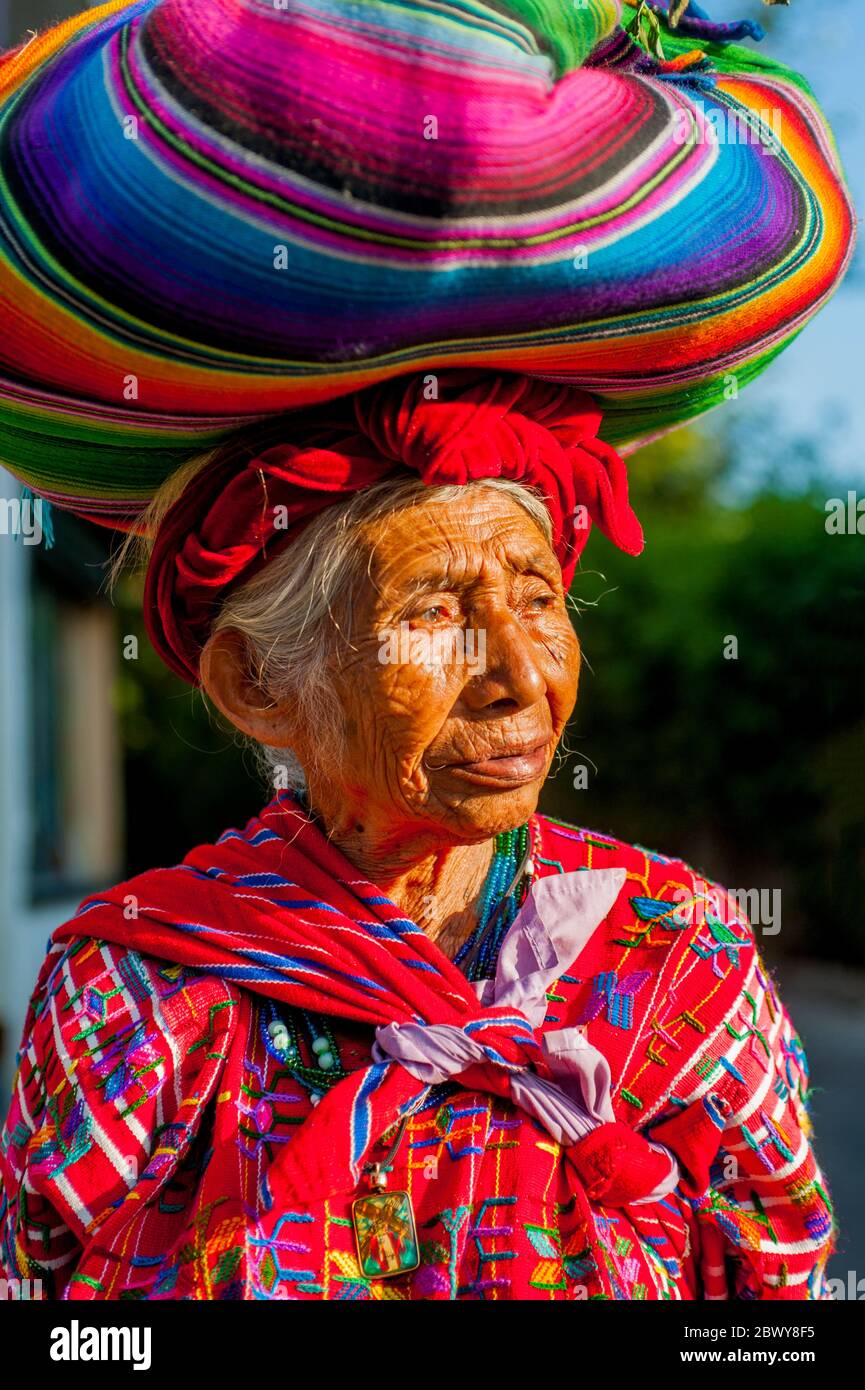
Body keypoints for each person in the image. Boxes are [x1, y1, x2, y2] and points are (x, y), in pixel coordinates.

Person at [0, 371, 837, 1300]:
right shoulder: (136, 989)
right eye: (431, 612)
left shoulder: (674, 944)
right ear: (258, 686)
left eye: (536, 599)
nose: (518, 677)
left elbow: (776, 1289)